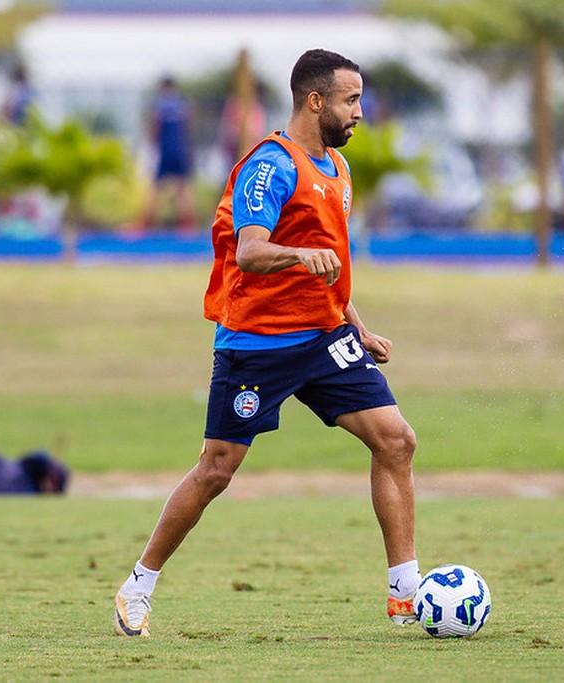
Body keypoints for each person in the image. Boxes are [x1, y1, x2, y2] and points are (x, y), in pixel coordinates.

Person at [113, 49, 421, 638]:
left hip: (325, 337)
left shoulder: (338, 168)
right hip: (257, 346)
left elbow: (330, 264)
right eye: (351, 100)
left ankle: (406, 591)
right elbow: (251, 251)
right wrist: (299, 255)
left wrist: (356, 325)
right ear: (316, 100)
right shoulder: (270, 166)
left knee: (397, 440)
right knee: (216, 470)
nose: (360, 112)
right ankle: (137, 586)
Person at [135, 76, 196, 230]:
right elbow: (187, 129)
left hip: (165, 151)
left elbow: (154, 129)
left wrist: (152, 148)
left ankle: (146, 224)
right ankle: (187, 226)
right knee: (183, 188)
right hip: (180, 151)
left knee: (155, 188)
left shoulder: (159, 105)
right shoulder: (182, 104)